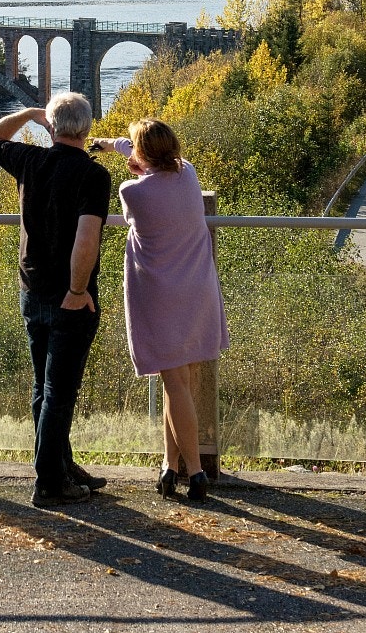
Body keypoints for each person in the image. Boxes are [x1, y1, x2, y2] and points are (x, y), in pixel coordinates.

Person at [0, 93, 111, 507]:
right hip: (67, 298)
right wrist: (77, 290)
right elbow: (86, 238)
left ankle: (59, 464)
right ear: (87, 130)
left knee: (44, 387)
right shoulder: (93, 175)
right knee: (58, 391)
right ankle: (49, 482)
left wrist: (28, 114)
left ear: (51, 129)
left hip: (31, 291)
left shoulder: (30, 161)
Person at [90, 118, 230, 502]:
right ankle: (169, 467)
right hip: (197, 289)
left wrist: (127, 161)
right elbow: (155, 162)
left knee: (175, 383)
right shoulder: (189, 174)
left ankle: (196, 473)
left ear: (142, 155)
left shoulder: (131, 193)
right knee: (179, 382)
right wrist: (116, 146)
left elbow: (141, 204)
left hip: (160, 294)